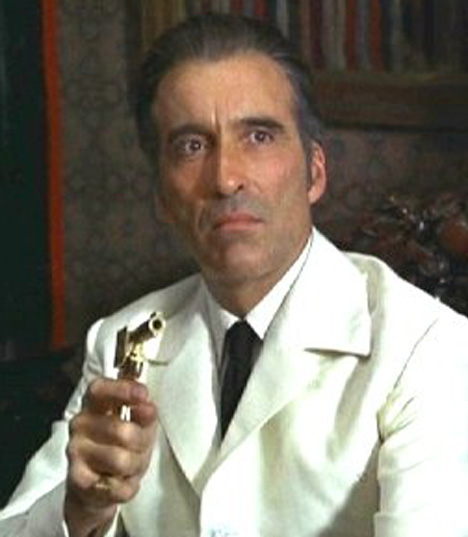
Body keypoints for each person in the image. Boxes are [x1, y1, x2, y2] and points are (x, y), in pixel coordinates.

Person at [1, 13, 467, 537]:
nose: (225, 178)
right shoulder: (121, 342)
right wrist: (81, 511)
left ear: (315, 172)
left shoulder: (425, 347)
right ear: (161, 196)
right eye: (192, 146)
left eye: (259, 136)